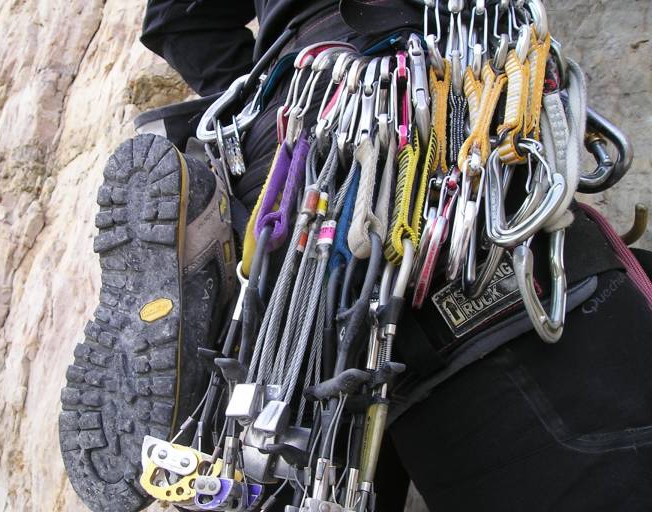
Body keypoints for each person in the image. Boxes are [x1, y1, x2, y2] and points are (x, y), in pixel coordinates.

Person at [60, 2, 652, 511]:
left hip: (295, 142)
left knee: (309, 440)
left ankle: (218, 298)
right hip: (432, 119)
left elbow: (176, 20)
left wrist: (274, 95)